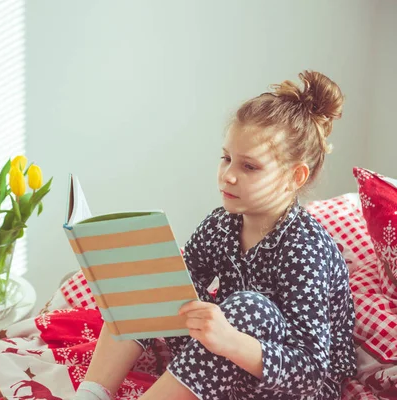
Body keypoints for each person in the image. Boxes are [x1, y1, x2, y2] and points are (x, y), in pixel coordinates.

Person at [73, 70, 357, 400]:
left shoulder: (306, 250)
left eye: (249, 167)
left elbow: (310, 373)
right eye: (226, 158)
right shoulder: (221, 224)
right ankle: (90, 394)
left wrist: (231, 341)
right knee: (153, 284)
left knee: (249, 309)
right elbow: (180, 284)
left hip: (297, 387)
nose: (228, 175)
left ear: (295, 177)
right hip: (227, 357)